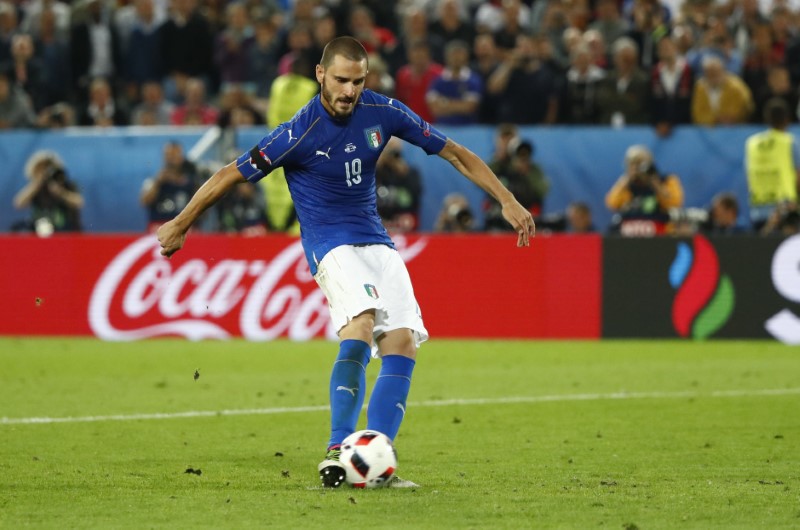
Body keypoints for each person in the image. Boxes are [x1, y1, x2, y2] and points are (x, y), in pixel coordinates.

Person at [156, 36, 534, 488]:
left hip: (376, 242)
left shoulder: (383, 112)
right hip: (330, 244)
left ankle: (375, 460)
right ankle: (338, 450)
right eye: (340, 80)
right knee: (360, 323)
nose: (348, 91)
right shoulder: (299, 131)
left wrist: (507, 199)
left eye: (357, 81)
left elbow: (453, 152)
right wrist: (181, 223)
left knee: (402, 342)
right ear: (320, 74)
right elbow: (229, 174)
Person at [744, 98, 800, 231]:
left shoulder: (752, 144)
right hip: (785, 213)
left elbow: (748, 174)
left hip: (758, 210)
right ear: (787, 120)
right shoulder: (789, 142)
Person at [605, 144, 684, 236]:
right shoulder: (625, 185)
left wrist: (655, 183)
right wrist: (626, 180)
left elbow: (674, 203)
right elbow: (612, 204)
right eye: (632, 163)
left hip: (660, 233)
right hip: (630, 234)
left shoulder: (666, 180)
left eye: (640, 163)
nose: (637, 168)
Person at [12, 150, 83, 235]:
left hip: (63, 230)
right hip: (39, 227)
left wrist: (61, 193)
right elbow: (18, 203)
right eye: (42, 169)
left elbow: (79, 202)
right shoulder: (35, 187)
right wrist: (36, 184)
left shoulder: (65, 184)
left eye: (48, 168)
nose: (46, 173)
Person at [140, 141, 200, 232]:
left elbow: (201, 208)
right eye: (168, 155)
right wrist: (158, 183)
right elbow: (145, 202)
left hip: (184, 228)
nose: (171, 159)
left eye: (175, 155)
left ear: (181, 157)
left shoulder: (191, 182)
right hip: (159, 227)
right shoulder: (153, 181)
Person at [375, 138, 423, 232]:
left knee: (407, 220)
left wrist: (404, 175)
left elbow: (413, 199)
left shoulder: (409, 172)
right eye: (388, 149)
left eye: (394, 149)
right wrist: (378, 167)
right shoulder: (376, 171)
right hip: (379, 216)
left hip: (401, 217)